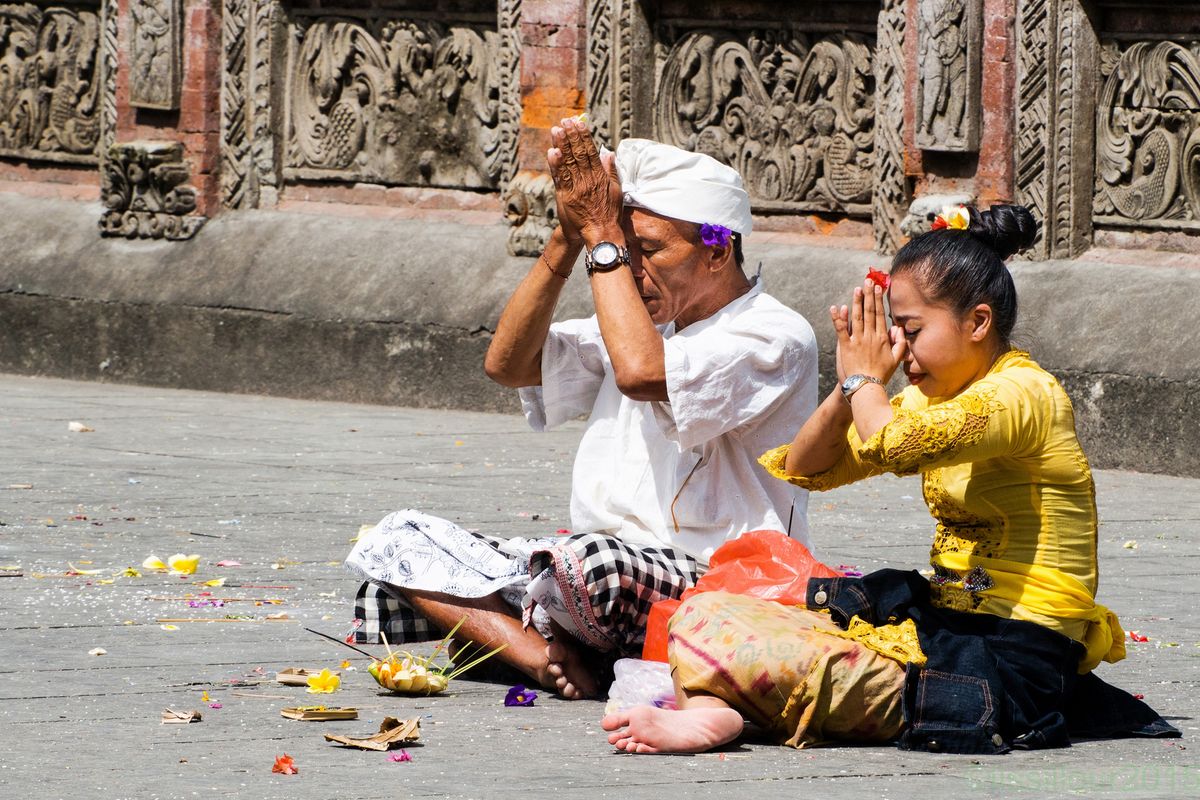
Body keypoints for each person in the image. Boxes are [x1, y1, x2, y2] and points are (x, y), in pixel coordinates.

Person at [602, 204, 1179, 753]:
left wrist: (864, 382)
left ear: (978, 322)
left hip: (1013, 657)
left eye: (911, 330)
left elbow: (891, 444)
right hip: (946, 623)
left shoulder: (1023, 395)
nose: (900, 353)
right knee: (712, 602)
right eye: (894, 334)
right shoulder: (934, 400)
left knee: (756, 643)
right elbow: (809, 466)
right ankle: (724, 708)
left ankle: (725, 708)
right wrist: (848, 379)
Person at [344, 117, 819, 699]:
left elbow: (643, 373)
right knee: (396, 539)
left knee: (588, 566)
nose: (632, 268)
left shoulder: (776, 335)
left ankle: (519, 634)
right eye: (627, 249)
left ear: (717, 251)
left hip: (714, 583)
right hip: (587, 576)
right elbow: (509, 365)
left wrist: (601, 235)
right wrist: (567, 238)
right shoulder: (639, 318)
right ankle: (543, 657)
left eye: (647, 250)